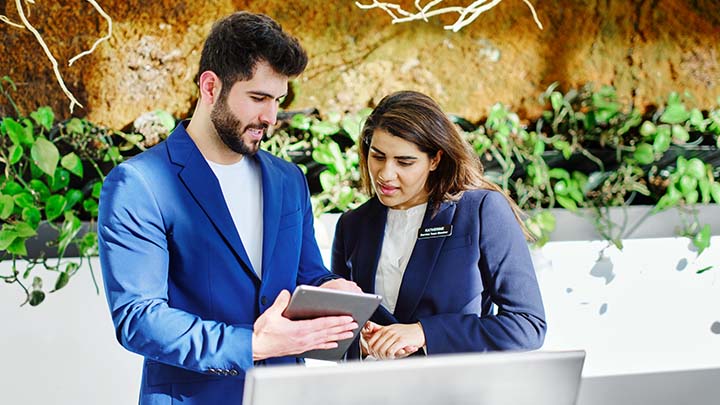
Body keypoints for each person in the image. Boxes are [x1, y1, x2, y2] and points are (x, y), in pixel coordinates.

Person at [98, 11, 361, 404]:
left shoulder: (289, 180)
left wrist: (331, 289)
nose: (270, 117)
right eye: (257, 98)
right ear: (209, 87)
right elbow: (139, 319)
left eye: (278, 100)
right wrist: (252, 344)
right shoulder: (139, 184)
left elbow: (306, 273)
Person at [332, 90, 546, 360]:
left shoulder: (481, 210)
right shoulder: (352, 225)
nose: (385, 174)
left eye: (404, 161)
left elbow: (527, 325)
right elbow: (339, 328)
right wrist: (357, 343)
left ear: (435, 159)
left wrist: (424, 333)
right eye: (377, 156)